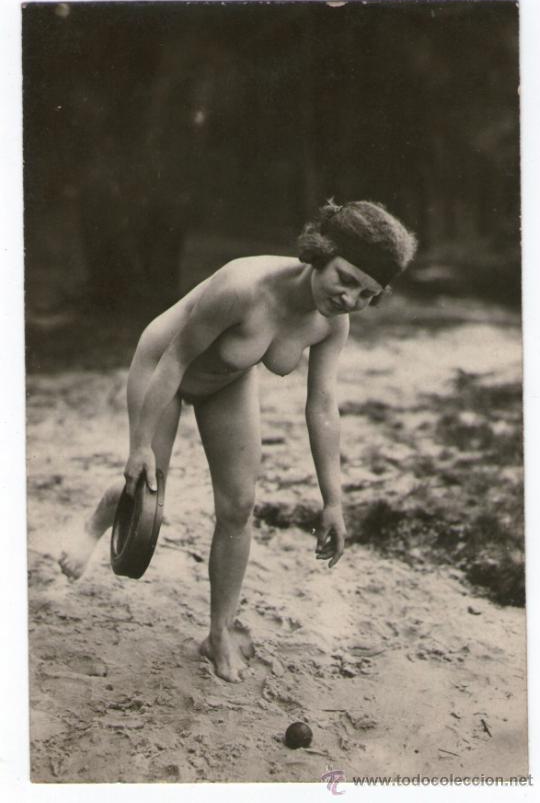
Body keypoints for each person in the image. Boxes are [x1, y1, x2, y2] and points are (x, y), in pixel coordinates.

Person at [59, 199, 417, 682]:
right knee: (148, 485)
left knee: (239, 506)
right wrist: (139, 444)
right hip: (165, 367)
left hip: (228, 378)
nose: (350, 298)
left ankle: (218, 633)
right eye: (346, 278)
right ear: (321, 252)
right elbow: (176, 359)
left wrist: (333, 500)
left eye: (367, 293)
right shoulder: (242, 286)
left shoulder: (332, 323)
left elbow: (322, 406)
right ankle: (99, 519)